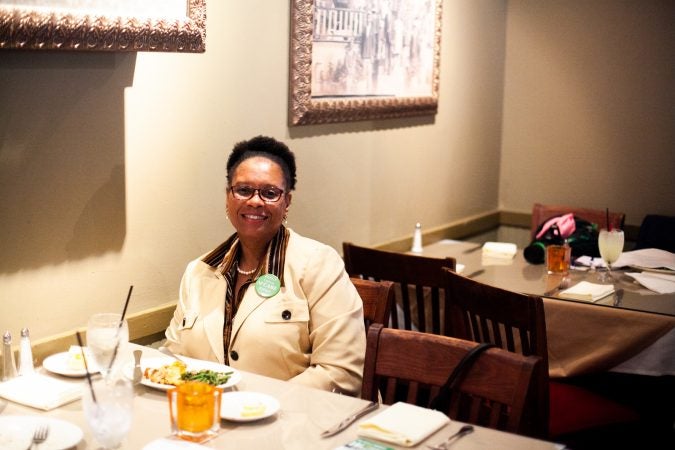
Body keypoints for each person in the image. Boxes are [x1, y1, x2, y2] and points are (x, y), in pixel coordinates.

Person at [164, 136, 366, 395]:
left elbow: (341, 373)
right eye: (244, 190)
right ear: (228, 197)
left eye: (270, 193)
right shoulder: (198, 271)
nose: (255, 201)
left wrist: (254, 405)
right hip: (210, 420)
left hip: (297, 424)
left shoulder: (320, 265)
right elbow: (173, 358)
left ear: (287, 203)